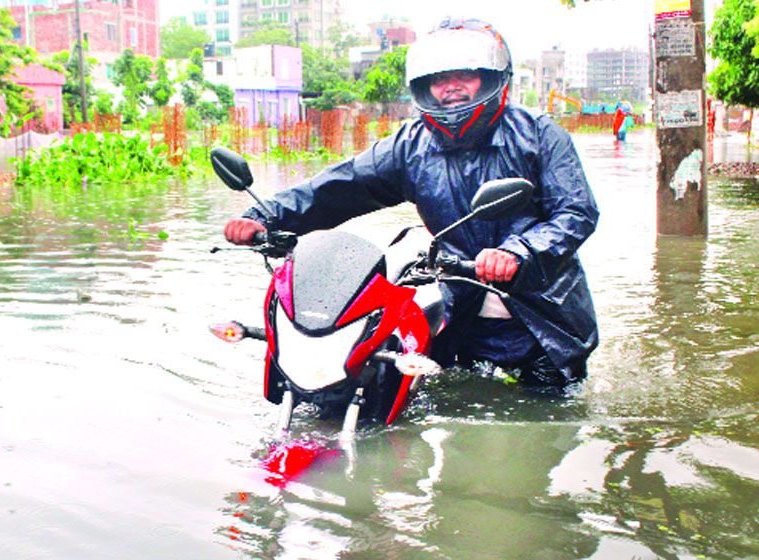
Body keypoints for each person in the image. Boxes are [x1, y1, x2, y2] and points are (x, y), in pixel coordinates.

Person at [223, 18, 599, 392]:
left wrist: (519, 252)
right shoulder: (410, 145)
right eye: (439, 78)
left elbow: (576, 212)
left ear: (489, 77)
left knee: (547, 425)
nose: (450, 88)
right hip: (461, 307)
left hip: (541, 317)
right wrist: (265, 217)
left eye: (464, 75)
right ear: (424, 86)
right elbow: (340, 186)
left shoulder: (538, 134)